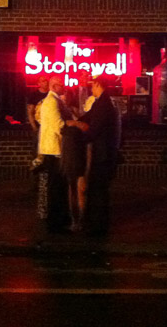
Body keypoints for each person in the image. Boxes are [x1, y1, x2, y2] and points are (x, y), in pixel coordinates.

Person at [68, 75, 119, 236]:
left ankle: (99, 226)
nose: (91, 88)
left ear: (98, 85)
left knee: (98, 190)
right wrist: (75, 121)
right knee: (98, 189)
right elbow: (88, 117)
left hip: (102, 154)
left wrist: (78, 134)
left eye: (93, 85)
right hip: (103, 152)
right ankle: (97, 223)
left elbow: (94, 130)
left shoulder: (103, 104)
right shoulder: (102, 102)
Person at [36, 75, 70, 233]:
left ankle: (58, 219)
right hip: (53, 150)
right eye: (61, 84)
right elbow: (59, 125)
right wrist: (74, 125)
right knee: (56, 186)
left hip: (53, 149)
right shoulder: (51, 102)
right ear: (54, 86)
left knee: (57, 186)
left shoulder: (55, 100)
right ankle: (55, 222)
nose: (64, 86)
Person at [27, 75, 51, 173]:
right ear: (39, 83)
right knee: (37, 150)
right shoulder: (34, 95)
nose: (46, 82)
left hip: (49, 127)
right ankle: (36, 174)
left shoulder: (51, 94)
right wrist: (34, 126)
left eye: (46, 80)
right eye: (43, 81)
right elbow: (30, 112)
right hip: (39, 126)